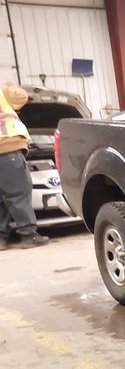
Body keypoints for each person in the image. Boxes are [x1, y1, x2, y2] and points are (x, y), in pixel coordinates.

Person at [0, 82, 49, 250]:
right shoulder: (3, 94)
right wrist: (9, 85)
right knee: (18, 194)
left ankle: (1, 238)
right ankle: (29, 235)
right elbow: (22, 97)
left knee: (2, 198)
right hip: (8, 149)